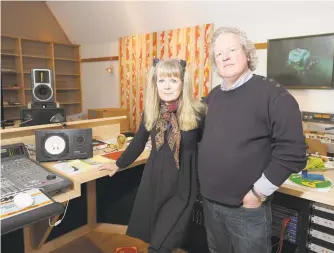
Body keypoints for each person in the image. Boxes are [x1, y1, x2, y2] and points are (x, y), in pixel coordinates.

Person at [198, 27, 308, 253]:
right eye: (219, 54)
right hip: (210, 204)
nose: (225, 57)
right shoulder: (212, 97)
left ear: (248, 54)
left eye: (231, 49)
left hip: (246, 209)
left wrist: (257, 194)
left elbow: (293, 154)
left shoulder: (274, 95)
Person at [99, 58, 206, 253]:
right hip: (155, 180)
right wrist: (118, 164)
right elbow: (139, 141)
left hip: (182, 184)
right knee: (156, 234)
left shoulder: (198, 112)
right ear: (155, 84)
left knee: (161, 243)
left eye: (173, 81)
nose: (166, 86)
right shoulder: (152, 111)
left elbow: (208, 148)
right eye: (161, 80)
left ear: (183, 82)